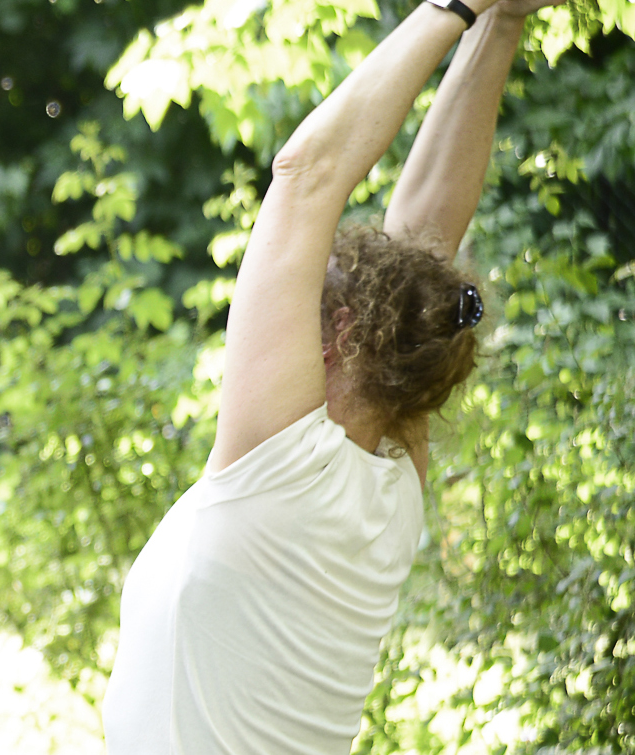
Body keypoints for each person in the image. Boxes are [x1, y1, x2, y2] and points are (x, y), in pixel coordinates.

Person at [102, 0, 546, 750]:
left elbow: (308, 172)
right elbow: (431, 235)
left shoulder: (282, 458)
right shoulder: (391, 477)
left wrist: (458, 7)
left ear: (341, 332)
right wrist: (502, 21)